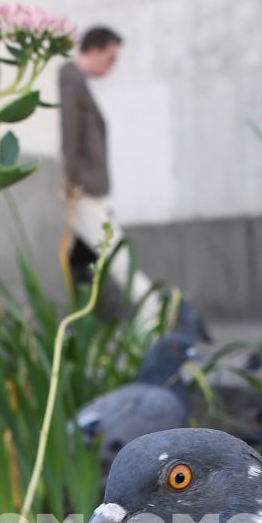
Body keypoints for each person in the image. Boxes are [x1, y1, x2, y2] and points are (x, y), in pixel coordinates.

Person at [60, 26, 158, 326]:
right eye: (112, 58)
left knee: (86, 264)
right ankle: (151, 310)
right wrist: (72, 187)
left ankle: (92, 332)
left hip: (89, 190)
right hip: (85, 192)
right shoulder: (71, 79)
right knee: (115, 256)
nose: (112, 66)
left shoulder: (79, 83)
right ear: (95, 50)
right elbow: (71, 137)